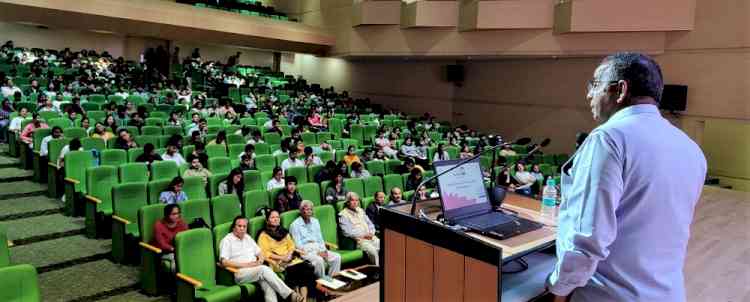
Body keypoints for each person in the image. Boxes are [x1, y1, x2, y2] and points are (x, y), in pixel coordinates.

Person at [546, 53, 706, 302]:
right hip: (668, 293)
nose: (589, 95)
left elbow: (588, 239)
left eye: (595, 85)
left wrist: (558, 291)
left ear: (621, 89)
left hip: (610, 295)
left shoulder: (609, 139)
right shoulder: (691, 148)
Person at [220, 216, 305, 302]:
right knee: (264, 269)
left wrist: (260, 260)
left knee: (267, 284)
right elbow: (223, 262)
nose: (242, 228)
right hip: (241, 272)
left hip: (255, 270)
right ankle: (290, 294)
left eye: (244, 226)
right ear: (234, 227)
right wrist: (247, 265)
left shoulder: (248, 238)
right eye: (239, 226)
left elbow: (259, 252)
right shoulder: (227, 240)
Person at [257, 210, 318, 300]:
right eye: (272, 217)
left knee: (307, 268)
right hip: (278, 262)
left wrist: (289, 255)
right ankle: (297, 297)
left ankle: (303, 299)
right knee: (297, 270)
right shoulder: (263, 235)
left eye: (277, 217)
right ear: (267, 220)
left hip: (291, 259)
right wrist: (282, 258)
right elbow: (265, 253)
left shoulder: (283, 231)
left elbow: (291, 245)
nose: (276, 219)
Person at [289, 201, 341, 278]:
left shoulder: (315, 221)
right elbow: (298, 245)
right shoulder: (294, 225)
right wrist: (316, 252)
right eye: (306, 209)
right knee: (319, 260)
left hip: (318, 248)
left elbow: (320, 239)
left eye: (310, 209)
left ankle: (332, 279)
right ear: (301, 211)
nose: (308, 212)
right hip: (306, 251)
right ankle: (322, 282)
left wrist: (323, 250)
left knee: (337, 257)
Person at [338, 192, 379, 266]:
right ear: (347, 202)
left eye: (357, 200)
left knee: (384, 247)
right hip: (359, 241)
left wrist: (371, 233)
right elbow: (347, 232)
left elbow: (370, 224)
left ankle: (386, 269)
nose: (355, 203)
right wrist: (364, 235)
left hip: (371, 237)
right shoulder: (343, 215)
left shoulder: (361, 210)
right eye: (352, 200)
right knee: (373, 252)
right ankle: (377, 272)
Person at [151, 203, 188, 272]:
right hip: (165, 252)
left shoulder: (181, 222)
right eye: (173, 214)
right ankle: (177, 280)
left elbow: (186, 237)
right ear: (167, 215)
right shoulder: (158, 225)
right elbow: (161, 244)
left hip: (179, 249)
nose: (177, 216)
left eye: (178, 213)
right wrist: (174, 249)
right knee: (177, 261)